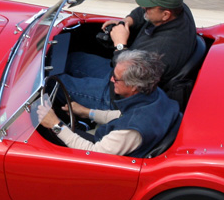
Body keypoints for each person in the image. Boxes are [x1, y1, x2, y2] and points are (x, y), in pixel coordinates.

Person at [65, 0, 198, 108]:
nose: (144, 7)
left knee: (55, 82)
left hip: (121, 95)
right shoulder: (177, 8)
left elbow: (127, 75)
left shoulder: (162, 50)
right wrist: (127, 21)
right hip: (120, 74)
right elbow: (142, 12)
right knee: (71, 60)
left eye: (149, 7)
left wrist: (120, 44)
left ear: (165, 15)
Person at [37, 50, 180, 158]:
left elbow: (94, 153)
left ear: (134, 86)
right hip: (110, 139)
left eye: (116, 79)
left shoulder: (130, 132)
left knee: (42, 133)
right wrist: (87, 112)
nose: (111, 80)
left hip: (98, 151)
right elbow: (122, 115)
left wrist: (55, 125)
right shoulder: (155, 95)